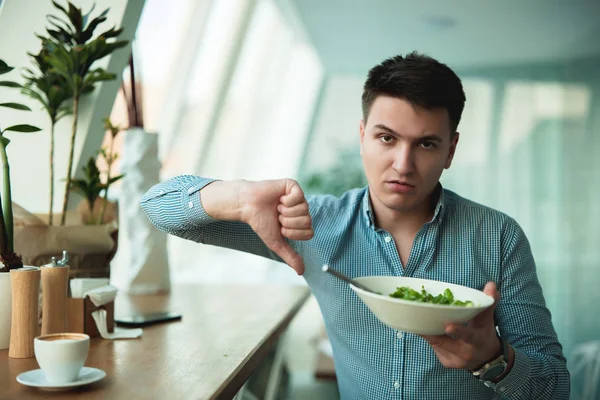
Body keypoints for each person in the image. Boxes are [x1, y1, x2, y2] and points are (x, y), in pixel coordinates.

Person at [140, 52, 569, 399]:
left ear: (450, 150)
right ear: (362, 135)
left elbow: (556, 387)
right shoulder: (311, 224)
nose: (403, 164)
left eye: (425, 144)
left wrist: (493, 358)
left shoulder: (498, 237)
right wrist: (239, 196)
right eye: (386, 138)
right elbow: (158, 206)